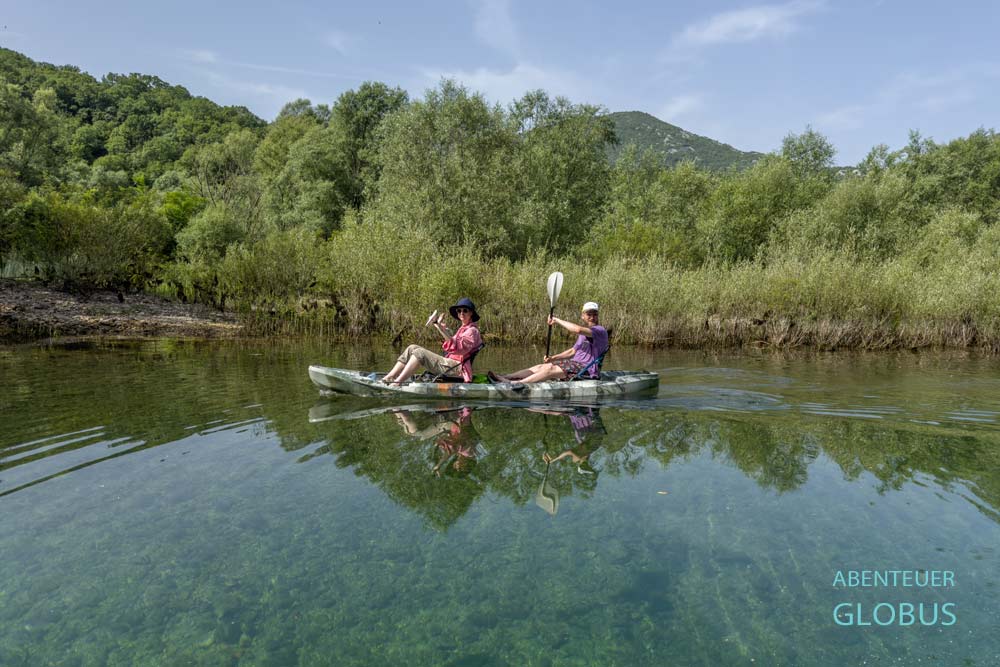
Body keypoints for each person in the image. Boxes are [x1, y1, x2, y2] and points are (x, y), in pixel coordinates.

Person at [488, 301, 608, 384]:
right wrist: (553, 358)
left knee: (549, 370)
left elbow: (576, 330)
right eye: (589, 314)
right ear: (583, 316)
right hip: (575, 364)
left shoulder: (599, 330)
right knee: (543, 366)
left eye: (595, 314)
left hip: (586, 370)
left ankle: (515, 384)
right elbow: (573, 351)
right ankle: (505, 377)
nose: (592, 317)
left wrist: (556, 319)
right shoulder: (585, 333)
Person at [380, 297, 482, 385]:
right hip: (450, 364)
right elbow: (452, 339)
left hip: (457, 368)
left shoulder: (472, 331)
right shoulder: (464, 329)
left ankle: (398, 383)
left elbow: (459, 348)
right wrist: (437, 324)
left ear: (471, 313)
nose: (461, 313)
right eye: (459, 311)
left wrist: (440, 327)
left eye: (465, 310)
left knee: (420, 353)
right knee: (412, 347)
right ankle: (390, 377)